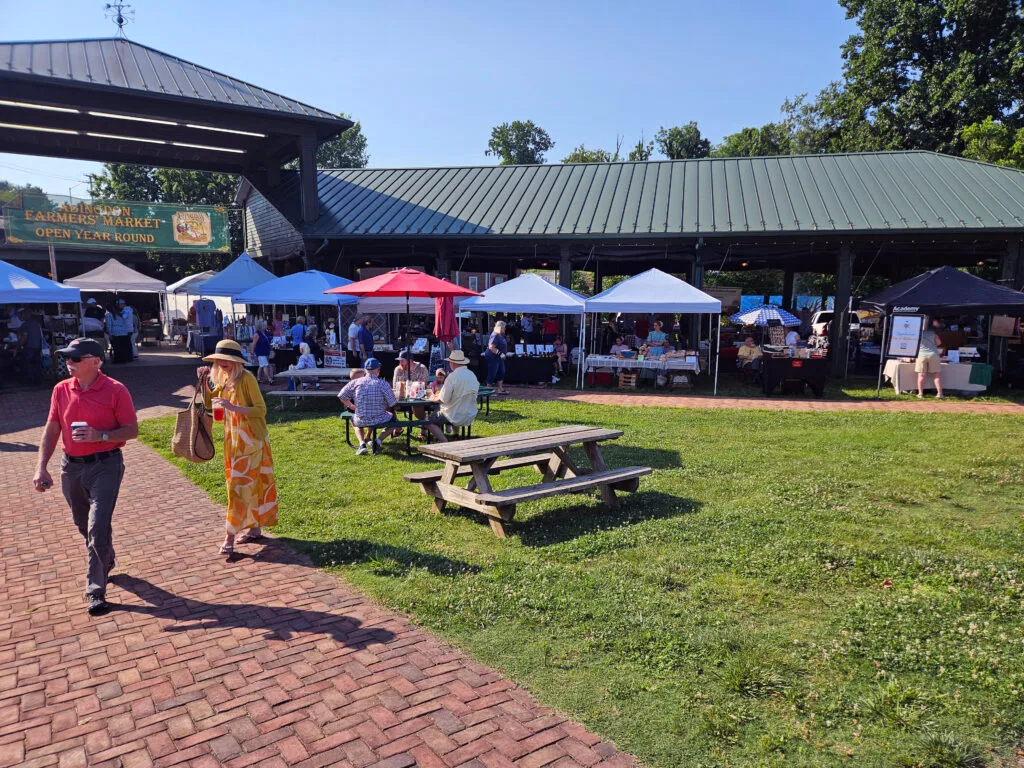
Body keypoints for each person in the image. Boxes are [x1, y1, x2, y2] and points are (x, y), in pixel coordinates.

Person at [33, 337, 138, 615]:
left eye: (75, 359)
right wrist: (41, 466)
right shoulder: (60, 390)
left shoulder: (116, 390)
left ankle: (96, 590)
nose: (69, 363)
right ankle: (106, 557)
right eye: (67, 358)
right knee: (83, 523)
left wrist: (100, 436)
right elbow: (52, 428)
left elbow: (131, 430)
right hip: (72, 467)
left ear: (95, 361)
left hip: (106, 465)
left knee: (97, 525)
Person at [196, 340, 278, 555]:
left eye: (228, 360)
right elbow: (210, 406)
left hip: (251, 440)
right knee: (244, 484)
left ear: (237, 362)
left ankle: (229, 536)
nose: (223, 363)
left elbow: (261, 410)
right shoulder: (223, 377)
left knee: (238, 488)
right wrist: (205, 383)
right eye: (219, 360)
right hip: (233, 439)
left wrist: (234, 407)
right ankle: (254, 528)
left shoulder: (247, 379)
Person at [338, 357, 401, 455]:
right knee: (394, 421)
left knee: (354, 420)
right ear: (378, 370)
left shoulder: (355, 382)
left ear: (365, 370)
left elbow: (341, 396)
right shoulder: (383, 384)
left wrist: (351, 406)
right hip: (379, 418)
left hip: (361, 418)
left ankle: (362, 444)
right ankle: (378, 441)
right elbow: (392, 403)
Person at [424, 350, 479, 443]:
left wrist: (431, 396)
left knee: (427, 421)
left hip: (454, 414)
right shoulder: (472, 375)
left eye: (449, 361)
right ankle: (455, 435)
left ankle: (445, 442)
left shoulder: (452, 376)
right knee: (449, 407)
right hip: (470, 413)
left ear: (452, 363)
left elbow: (442, 399)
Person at [916, 317, 945, 399]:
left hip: (921, 355)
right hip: (933, 354)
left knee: (921, 375)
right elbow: (939, 343)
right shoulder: (933, 334)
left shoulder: (918, 333)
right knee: (936, 375)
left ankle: (920, 394)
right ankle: (940, 394)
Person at [18, 311, 44, 386]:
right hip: (38, 346)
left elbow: (24, 337)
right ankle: (38, 380)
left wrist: (19, 345)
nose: (21, 317)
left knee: (27, 363)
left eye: (22, 315)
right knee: (37, 363)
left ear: (26, 316)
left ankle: (30, 380)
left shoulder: (25, 325)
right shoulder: (37, 324)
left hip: (29, 346)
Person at [105, 299, 134, 363]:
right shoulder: (123, 313)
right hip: (124, 332)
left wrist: (110, 334)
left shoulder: (109, 315)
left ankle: (119, 359)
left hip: (115, 333)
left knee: (117, 348)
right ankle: (125, 359)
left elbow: (109, 325)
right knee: (124, 347)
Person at [485, 320, 508, 394]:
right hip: (493, 357)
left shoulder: (500, 335)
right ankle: (488, 391)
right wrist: (500, 353)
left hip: (499, 358)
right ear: (500, 327)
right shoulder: (495, 335)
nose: (505, 329)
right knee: (492, 373)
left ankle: (500, 389)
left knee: (502, 372)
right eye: (504, 327)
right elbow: (491, 347)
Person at [250, 319, 274, 385]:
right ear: (261, 326)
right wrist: (252, 353)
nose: (266, 326)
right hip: (260, 352)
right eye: (264, 325)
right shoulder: (257, 334)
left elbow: (268, 340)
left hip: (266, 351)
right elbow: (254, 344)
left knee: (261, 365)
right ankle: (269, 379)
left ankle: (258, 378)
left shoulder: (265, 332)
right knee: (265, 365)